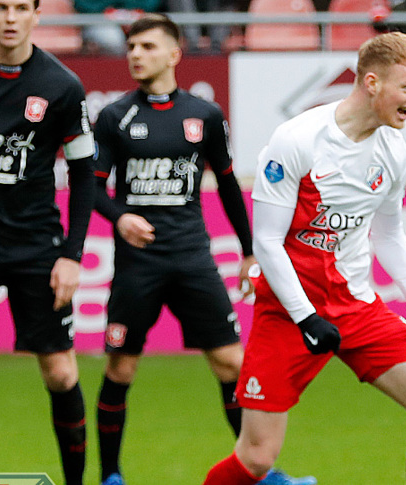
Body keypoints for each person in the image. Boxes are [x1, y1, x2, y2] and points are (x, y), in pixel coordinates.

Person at [204, 32, 406, 485]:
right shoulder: (297, 139)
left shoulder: (392, 150)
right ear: (371, 83)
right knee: (256, 458)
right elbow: (267, 243)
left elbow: (387, 233)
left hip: (357, 307)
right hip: (289, 315)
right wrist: (306, 318)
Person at [91, 14, 315, 485]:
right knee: (121, 366)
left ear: (174, 54)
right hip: (138, 265)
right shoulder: (114, 116)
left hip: (192, 257)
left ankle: (260, 472)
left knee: (232, 363)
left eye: (148, 46)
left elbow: (229, 185)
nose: (135, 54)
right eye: (132, 46)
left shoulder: (204, 116)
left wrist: (250, 251)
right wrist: (120, 217)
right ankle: (111, 476)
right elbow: (90, 187)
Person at [0, 0, 96, 483]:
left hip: (36, 249)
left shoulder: (61, 86)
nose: (12, 16)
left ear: (37, 16)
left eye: (22, 7)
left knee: (60, 373)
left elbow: (85, 175)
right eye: (2, 6)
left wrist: (72, 255)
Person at [73, 0, 162, 55]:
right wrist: (111, 12)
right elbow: (83, 4)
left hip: (139, 16)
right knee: (111, 40)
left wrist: (131, 13)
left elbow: (151, 3)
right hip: (99, 19)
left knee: (155, 36)